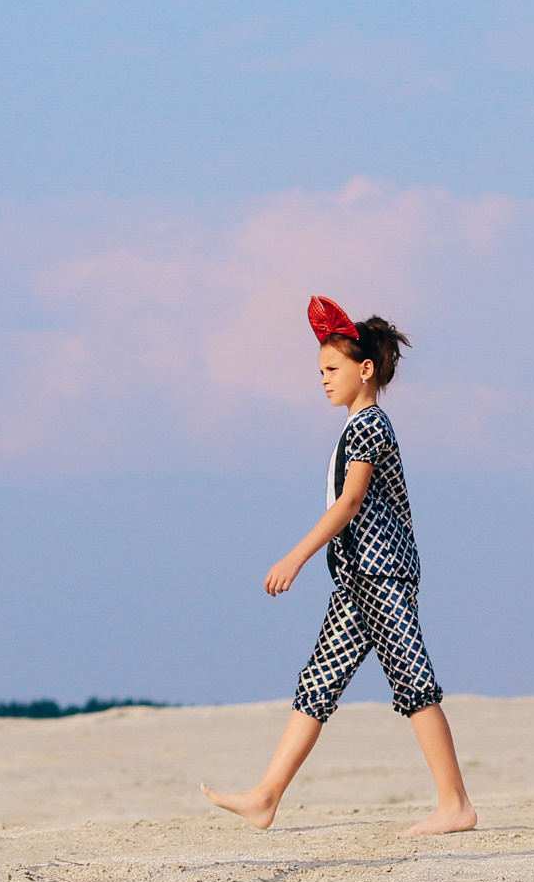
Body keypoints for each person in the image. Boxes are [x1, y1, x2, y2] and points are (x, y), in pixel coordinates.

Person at [203, 297, 476, 837]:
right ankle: (266, 797)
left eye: (332, 369)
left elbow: (349, 503)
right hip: (357, 578)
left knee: (414, 683)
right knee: (318, 682)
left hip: (381, 574)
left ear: (365, 369)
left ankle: (455, 805)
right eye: (321, 372)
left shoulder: (369, 425)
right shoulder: (358, 426)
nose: (324, 380)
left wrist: (295, 557)